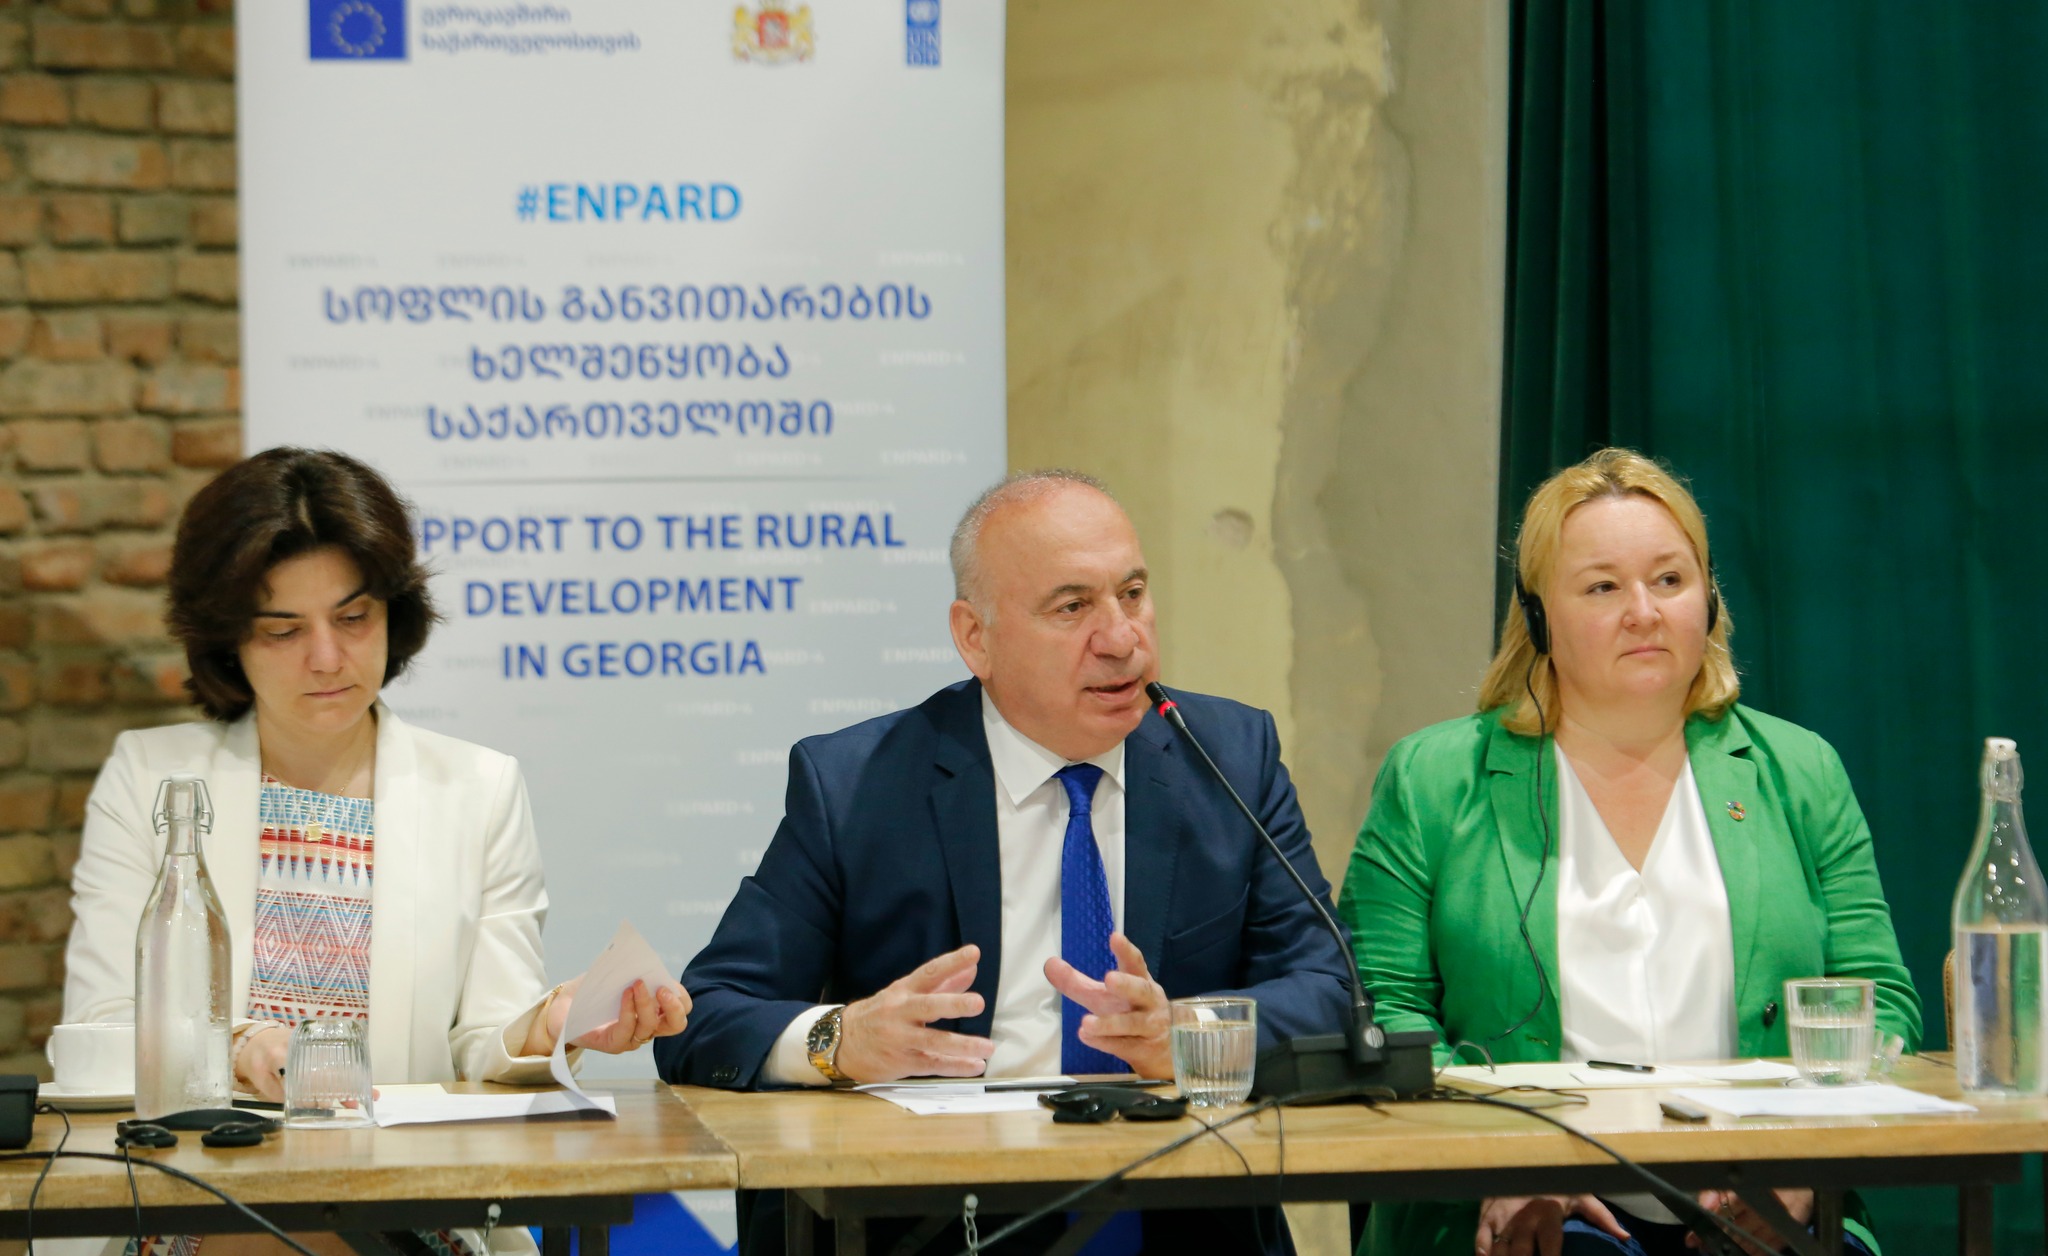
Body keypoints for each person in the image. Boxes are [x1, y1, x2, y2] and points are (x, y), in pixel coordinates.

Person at [658, 469, 1352, 1255]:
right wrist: (843, 1041)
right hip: (935, 1222)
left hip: (1182, 1218)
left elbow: (1330, 993)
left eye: (1132, 594)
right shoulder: (856, 785)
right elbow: (705, 1016)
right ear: (974, 637)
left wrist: (1186, 1035)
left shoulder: (1228, 758)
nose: (1122, 638)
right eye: (1072, 607)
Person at [62, 447, 690, 1256]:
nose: (326, 657)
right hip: (198, 1197)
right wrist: (242, 1047)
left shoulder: (477, 787)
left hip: (402, 1201)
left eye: (353, 619)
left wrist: (547, 1027)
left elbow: (482, 1045)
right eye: (284, 629)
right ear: (228, 640)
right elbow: (101, 1027)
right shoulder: (151, 778)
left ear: (395, 614)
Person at [1340, 449, 1920, 1256]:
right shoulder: (1434, 777)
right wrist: (1507, 1157)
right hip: (1519, 1207)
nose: (1644, 612)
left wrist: (1800, 1162)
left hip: (1767, 1201)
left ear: (1709, 600)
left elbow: (1879, 1000)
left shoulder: (1799, 769)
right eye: (1603, 587)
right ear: (1539, 618)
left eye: (1670, 580)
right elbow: (1381, 1012)